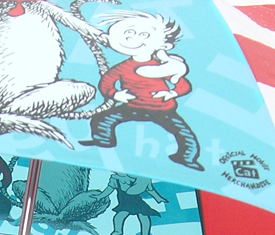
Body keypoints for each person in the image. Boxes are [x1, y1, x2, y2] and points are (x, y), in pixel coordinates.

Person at [78, 10, 203, 172]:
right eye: (129, 33)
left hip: (162, 109)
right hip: (131, 106)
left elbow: (183, 84)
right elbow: (107, 82)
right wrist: (116, 94)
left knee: (185, 135)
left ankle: (187, 157)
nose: (133, 38)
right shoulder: (123, 67)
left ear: (163, 45)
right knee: (102, 119)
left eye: (144, 35)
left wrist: (172, 93)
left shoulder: (161, 67)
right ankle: (103, 141)